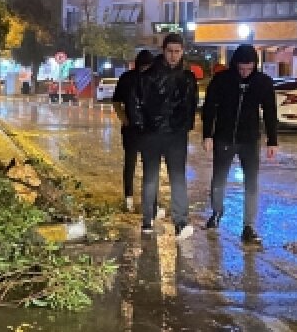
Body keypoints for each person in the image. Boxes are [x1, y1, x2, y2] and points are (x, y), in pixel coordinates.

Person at [200, 43, 278, 246]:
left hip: (250, 140)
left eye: (249, 69)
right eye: (241, 68)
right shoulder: (222, 80)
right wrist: (207, 135)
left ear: (255, 65)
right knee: (219, 179)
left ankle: (249, 226)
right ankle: (216, 213)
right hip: (224, 138)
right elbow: (209, 108)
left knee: (251, 183)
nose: (244, 73)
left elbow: (270, 112)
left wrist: (272, 140)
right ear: (235, 64)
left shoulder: (263, 83)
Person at [128, 33, 198, 239]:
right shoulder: (147, 76)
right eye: (170, 51)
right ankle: (147, 220)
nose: (173, 56)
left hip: (176, 136)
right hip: (152, 135)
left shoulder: (187, 78)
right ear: (163, 51)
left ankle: (180, 222)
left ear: (182, 52)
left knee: (178, 178)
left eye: (177, 52)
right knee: (150, 178)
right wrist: (142, 127)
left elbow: (191, 106)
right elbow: (134, 104)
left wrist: (184, 127)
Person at [113, 50, 155, 213]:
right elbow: (116, 101)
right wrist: (123, 118)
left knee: (149, 165)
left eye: (148, 66)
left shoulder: (155, 79)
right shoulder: (127, 78)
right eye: (143, 66)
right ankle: (128, 198)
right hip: (131, 130)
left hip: (150, 130)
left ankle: (149, 200)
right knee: (130, 163)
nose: (145, 69)